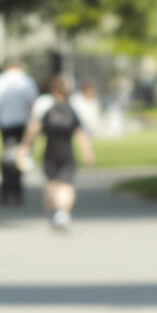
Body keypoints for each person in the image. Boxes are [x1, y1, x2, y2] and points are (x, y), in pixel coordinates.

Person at [23, 75, 95, 233]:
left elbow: (33, 128)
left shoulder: (45, 105)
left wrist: (26, 146)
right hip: (67, 150)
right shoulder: (72, 108)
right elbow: (81, 132)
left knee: (51, 183)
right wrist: (87, 151)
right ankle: (63, 212)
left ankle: (55, 211)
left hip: (50, 150)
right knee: (67, 184)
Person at [0, 59, 38, 207]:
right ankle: (17, 193)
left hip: (5, 124)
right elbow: (32, 105)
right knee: (20, 159)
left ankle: (6, 192)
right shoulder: (27, 81)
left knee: (7, 159)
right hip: (22, 123)